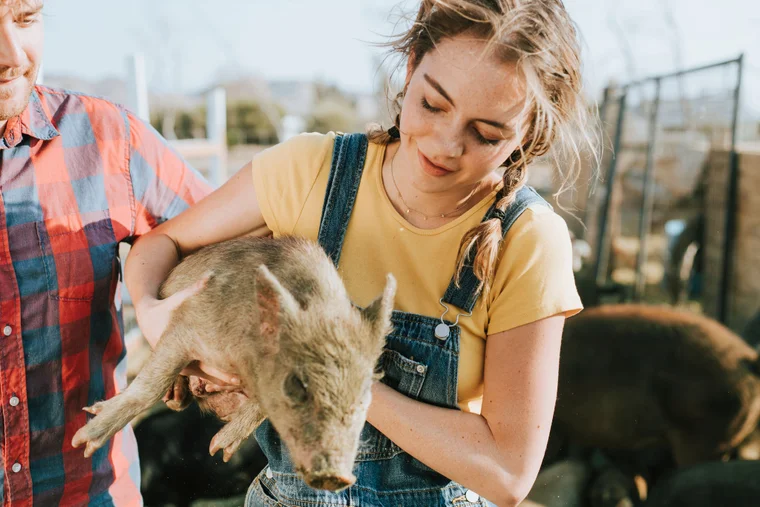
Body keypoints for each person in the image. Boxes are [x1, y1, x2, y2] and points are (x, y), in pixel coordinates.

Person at [126, 0, 598, 505]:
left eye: (485, 134)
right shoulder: (312, 173)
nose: (444, 144)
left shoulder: (528, 241)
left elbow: (507, 474)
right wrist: (157, 320)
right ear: (412, 64)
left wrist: (346, 382)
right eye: (432, 105)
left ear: (531, 134)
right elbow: (160, 245)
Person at [0, 0, 213, 504]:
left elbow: (238, 251)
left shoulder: (110, 139)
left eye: (26, 20)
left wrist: (172, 328)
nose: (12, 53)